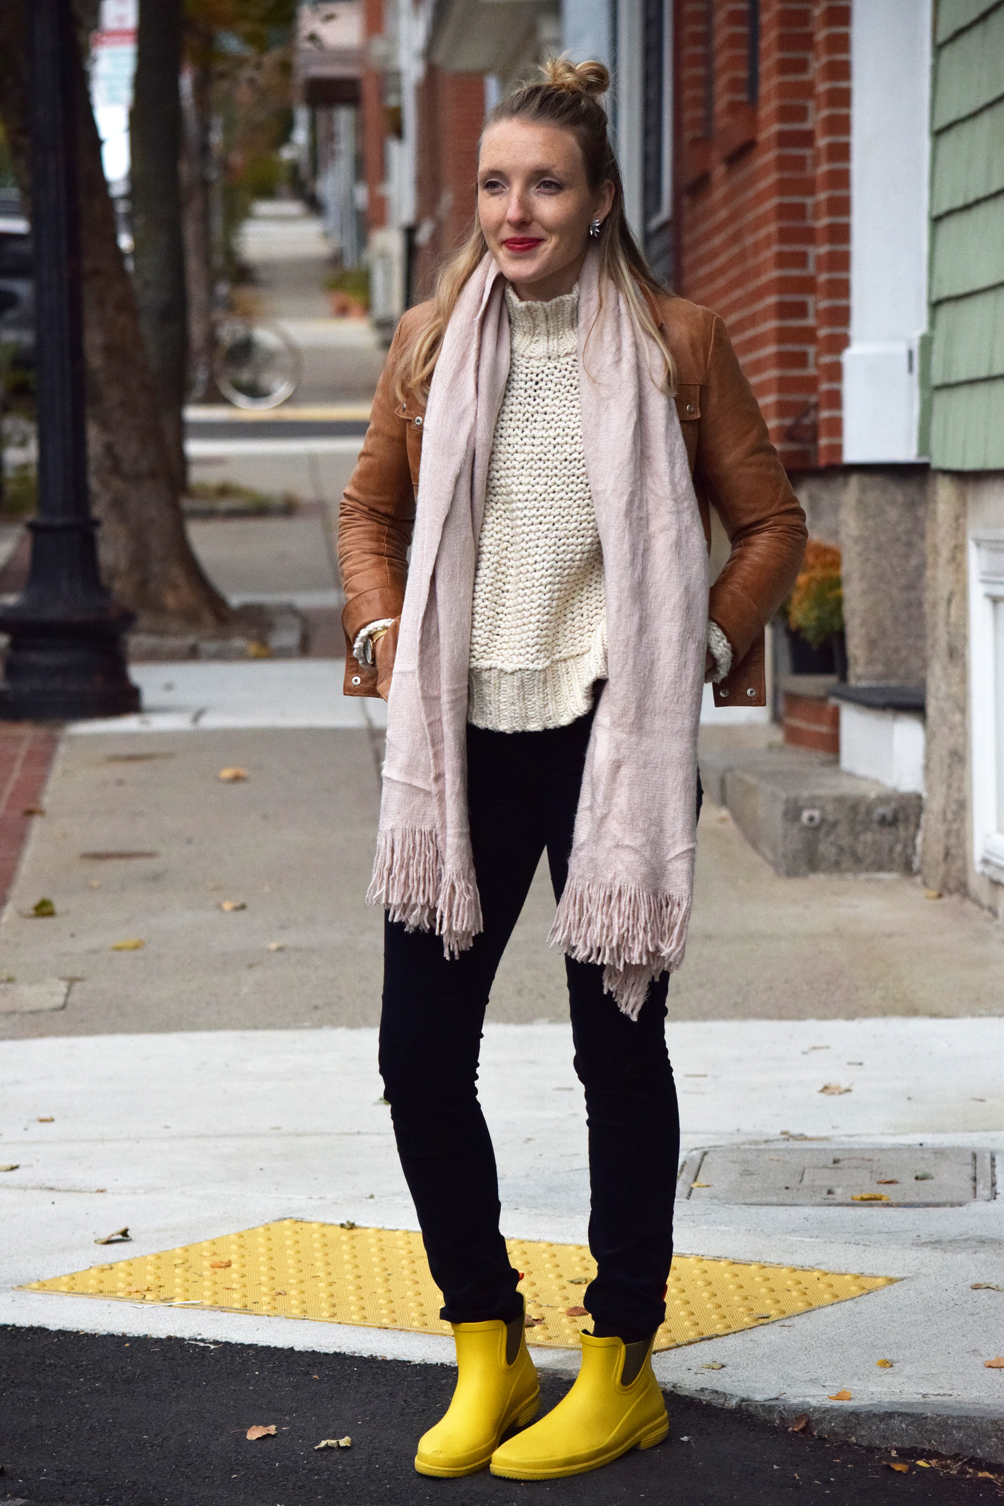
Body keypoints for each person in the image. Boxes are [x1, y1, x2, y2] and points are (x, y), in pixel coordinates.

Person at [337, 57, 806, 1482]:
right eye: (495, 184)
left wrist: (702, 641)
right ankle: (490, 1342)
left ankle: (623, 1358)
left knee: (618, 1052)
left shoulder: (677, 338)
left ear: (600, 200)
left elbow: (771, 522)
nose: (515, 209)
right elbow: (371, 503)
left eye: (545, 184)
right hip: (460, 733)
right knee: (418, 1057)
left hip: (610, 728)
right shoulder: (430, 339)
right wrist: (375, 618)